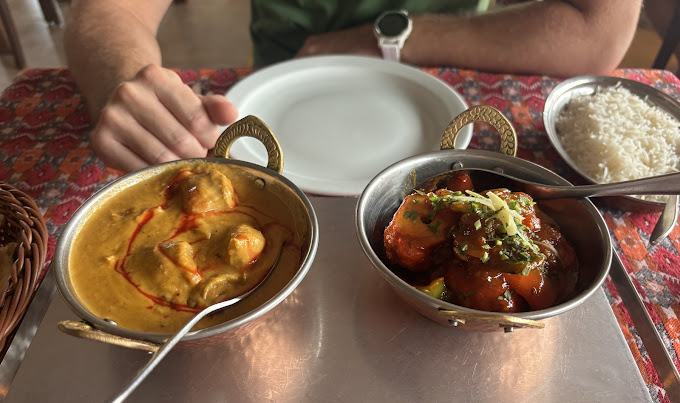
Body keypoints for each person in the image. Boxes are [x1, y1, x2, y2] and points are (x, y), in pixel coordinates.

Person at [64, 0, 642, 174]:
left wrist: (388, 37)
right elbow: (108, 10)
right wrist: (123, 78)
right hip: (260, 112)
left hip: (442, 91)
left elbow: (597, 30)